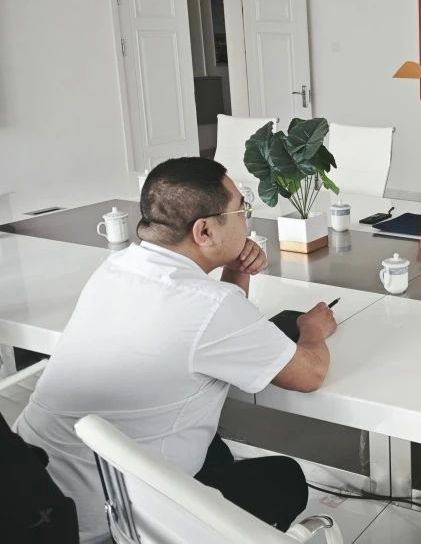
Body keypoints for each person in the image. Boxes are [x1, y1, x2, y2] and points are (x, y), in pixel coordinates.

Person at [15, 158, 337, 542]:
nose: (247, 219)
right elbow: (310, 374)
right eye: (242, 210)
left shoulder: (117, 266)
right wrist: (312, 329)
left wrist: (236, 269)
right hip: (109, 519)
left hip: (34, 491)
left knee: (213, 448)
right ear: (204, 231)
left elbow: (208, 323)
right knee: (284, 479)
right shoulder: (210, 306)